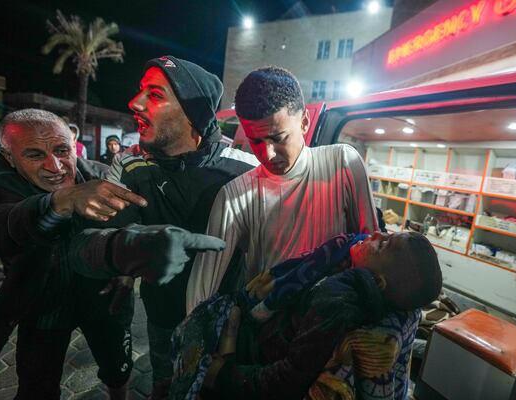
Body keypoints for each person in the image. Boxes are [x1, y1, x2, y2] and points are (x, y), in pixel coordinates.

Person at [62, 55, 258, 399]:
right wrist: (122, 255)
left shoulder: (246, 170)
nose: (134, 103)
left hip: (225, 326)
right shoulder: (129, 163)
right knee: (165, 387)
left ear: (193, 113)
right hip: (162, 317)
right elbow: (92, 244)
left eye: (154, 95)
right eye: (141, 92)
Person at [186, 66, 378, 313]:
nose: (267, 154)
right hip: (266, 336)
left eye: (278, 138)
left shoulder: (343, 163)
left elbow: (373, 255)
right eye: (255, 141)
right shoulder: (234, 196)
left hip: (334, 327)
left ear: (305, 122)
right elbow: (201, 288)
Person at [173, 231, 442, 400]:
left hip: (253, 358)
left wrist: (225, 374)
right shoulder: (343, 269)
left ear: (378, 282)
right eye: (385, 233)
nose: (374, 234)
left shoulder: (337, 304)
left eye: (382, 245)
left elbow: (291, 377)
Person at [0, 109, 144, 399]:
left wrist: (127, 275)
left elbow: (134, 229)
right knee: (36, 387)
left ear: (73, 144)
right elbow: (5, 224)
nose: (55, 166)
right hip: (42, 307)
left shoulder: (106, 178)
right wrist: (58, 203)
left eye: (62, 150)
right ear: (10, 158)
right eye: (35, 155)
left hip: (104, 301)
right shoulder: (1, 186)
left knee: (118, 368)